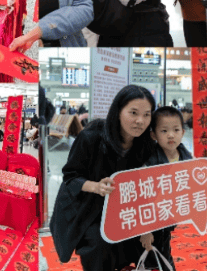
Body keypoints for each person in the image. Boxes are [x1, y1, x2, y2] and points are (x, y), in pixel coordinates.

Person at [50, 85, 156, 271]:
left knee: (149, 240)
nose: (140, 121)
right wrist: (96, 187)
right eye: (133, 113)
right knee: (100, 244)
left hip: (124, 206)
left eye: (147, 115)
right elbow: (70, 177)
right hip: (89, 207)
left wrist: (146, 227)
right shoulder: (91, 137)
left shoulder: (146, 144)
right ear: (118, 111)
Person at [139, 106, 193, 270]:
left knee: (162, 246)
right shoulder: (150, 162)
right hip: (151, 219)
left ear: (183, 132)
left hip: (167, 215)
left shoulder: (185, 156)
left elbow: (195, 179)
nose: (171, 135)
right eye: (164, 131)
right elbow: (141, 199)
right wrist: (145, 230)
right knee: (153, 253)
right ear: (154, 135)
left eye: (176, 130)